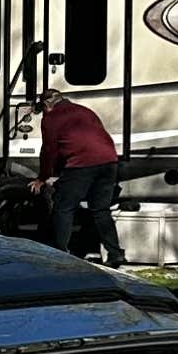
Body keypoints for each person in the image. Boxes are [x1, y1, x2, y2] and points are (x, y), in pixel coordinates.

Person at [38, 92, 125, 263]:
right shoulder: (85, 111)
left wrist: (43, 177)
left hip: (82, 163)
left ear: (47, 105)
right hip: (109, 161)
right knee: (100, 209)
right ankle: (115, 253)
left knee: (64, 207)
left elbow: (49, 150)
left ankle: (60, 254)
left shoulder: (51, 118)